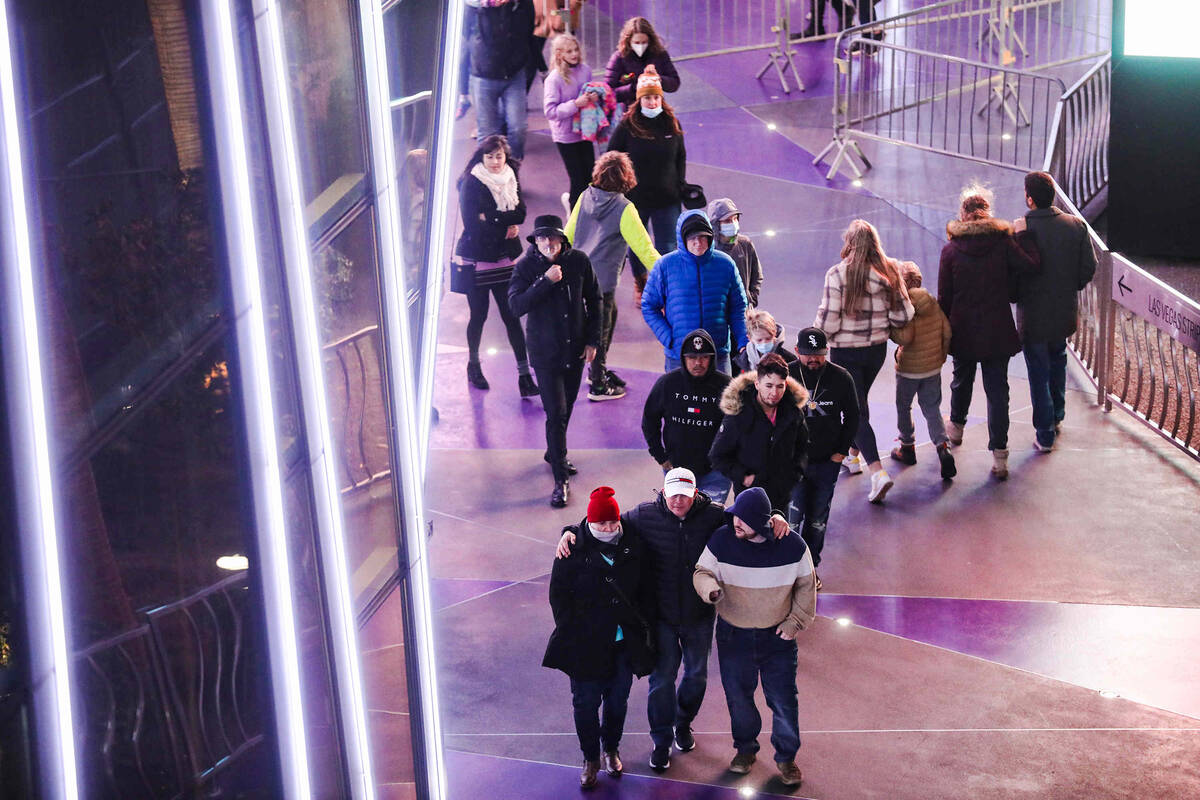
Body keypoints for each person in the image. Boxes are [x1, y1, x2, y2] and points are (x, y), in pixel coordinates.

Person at [555, 468, 791, 773]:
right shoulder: (643, 515)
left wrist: (775, 515)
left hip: (699, 616)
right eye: (673, 493)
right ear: (663, 493)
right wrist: (569, 529)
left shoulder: (713, 515)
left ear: (695, 493)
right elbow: (604, 521)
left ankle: (683, 722)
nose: (678, 500)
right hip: (661, 617)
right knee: (662, 681)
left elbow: (747, 514)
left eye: (685, 494)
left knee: (697, 676)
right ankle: (661, 741)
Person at [693, 486, 815, 787]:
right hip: (733, 635)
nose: (736, 523)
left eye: (743, 519)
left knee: (784, 701)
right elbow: (701, 572)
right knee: (738, 699)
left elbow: (806, 585)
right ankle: (745, 751)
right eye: (734, 516)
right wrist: (710, 590)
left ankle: (787, 758)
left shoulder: (793, 545)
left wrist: (794, 624)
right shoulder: (722, 540)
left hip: (778, 639)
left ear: (762, 522)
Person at [543, 486, 656, 789]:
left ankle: (611, 748)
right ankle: (591, 757)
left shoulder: (633, 544)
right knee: (585, 703)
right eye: (601, 524)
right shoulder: (571, 549)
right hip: (586, 645)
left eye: (612, 522)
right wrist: (572, 631)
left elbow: (645, 590)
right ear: (590, 523)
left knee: (618, 700)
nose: (608, 529)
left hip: (623, 644)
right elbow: (558, 597)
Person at [939, 184, 1040, 480]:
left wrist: (941, 335)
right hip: (997, 331)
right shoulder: (1004, 243)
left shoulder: (951, 250)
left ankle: (955, 429)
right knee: (998, 393)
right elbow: (1032, 266)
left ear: (963, 214)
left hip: (963, 330)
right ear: (988, 214)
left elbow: (944, 297)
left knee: (961, 380)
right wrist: (1026, 235)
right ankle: (999, 457)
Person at [814, 219, 913, 503]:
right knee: (859, 404)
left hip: (845, 353)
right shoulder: (890, 270)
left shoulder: (837, 274)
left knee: (855, 412)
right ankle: (853, 458)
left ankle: (878, 472)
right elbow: (903, 315)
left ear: (849, 243)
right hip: (876, 351)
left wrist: (814, 339)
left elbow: (828, 322)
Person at [508, 215, 601, 507]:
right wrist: (544, 282)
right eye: (542, 238)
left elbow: (596, 300)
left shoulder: (579, 261)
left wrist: (593, 340)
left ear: (562, 239)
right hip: (545, 354)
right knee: (557, 412)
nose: (548, 243)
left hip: (573, 351)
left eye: (553, 237)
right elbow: (516, 306)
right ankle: (560, 479)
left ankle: (554, 452)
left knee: (566, 407)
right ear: (535, 241)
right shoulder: (525, 267)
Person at [565, 151, 660, 401]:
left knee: (609, 317)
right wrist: (669, 269)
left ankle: (598, 369)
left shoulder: (585, 196)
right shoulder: (624, 208)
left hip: (580, 275)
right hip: (603, 282)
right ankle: (598, 384)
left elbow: (569, 234)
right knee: (601, 330)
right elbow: (644, 248)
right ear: (626, 178)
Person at [1014, 171, 1097, 452]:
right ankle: (1057, 416)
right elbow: (1089, 267)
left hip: (1033, 316)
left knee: (1038, 371)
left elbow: (1013, 275)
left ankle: (1045, 432)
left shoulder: (1021, 231)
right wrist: (1070, 286)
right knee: (1057, 360)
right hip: (1063, 311)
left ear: (1029, 198)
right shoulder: (1075, 226)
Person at [453, 135, 537, 397]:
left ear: (505, 156)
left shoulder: (511, 176)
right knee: (478, 315)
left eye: (498, 156)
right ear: (482, 157)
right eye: (489, 157)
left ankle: (525, 376)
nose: (495, 162)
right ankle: (473, 365)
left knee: (511, 316)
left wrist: (490, 216)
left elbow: (521, 213)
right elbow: (472, 225)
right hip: (477, 259)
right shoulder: (472, 182)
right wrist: (503, 228)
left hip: (503, 259)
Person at [606, 65, 686, 306]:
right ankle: (641, 282)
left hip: (667, 198)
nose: (652, 102)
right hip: (635, 198)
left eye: (656, 97)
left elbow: (680, 157)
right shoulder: (627, 126)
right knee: (638, 244)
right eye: (647, 98)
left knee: (667, 245)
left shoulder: (672, 123)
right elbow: (612, 156)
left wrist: (680, 185)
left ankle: (665, 286)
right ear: (640, 99)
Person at [787, 327, 858, 591]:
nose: (813, 359)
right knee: (792, 519)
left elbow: (853, 417)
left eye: (818, 354)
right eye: (807, 354)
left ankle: (810, 567)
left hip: (826, 464)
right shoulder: (787, 376)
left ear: (826, 352)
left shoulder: (841, 378)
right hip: (794, 464)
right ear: (797, 352)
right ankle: (790, 567)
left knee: (817, 521)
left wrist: (841, 452)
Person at [642, 210, 748, 375]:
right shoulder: (665, 266)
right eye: (692, 238)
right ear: (682, 239)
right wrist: (668, 337)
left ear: (710, 237)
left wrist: (742, 340)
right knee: (678, 400)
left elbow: (738, 306)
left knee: (723, 400)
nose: (698, 243)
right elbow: (649, 305)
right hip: (679, 355)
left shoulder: (726, 264)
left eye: (702, 236)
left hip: (717, 353)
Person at [709, 353, 810, 514]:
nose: (774, 392)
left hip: (781, 495)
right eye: (769, 385)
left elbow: (802, 447)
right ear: (757, 384)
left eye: (780, 386)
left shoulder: (793, 412)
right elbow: (718, 456)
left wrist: (793, 476)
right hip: (749, 497)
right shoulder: (738, 414)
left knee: (779, 537)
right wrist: (744, 477)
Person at [642, 329, 733, 503]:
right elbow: (649, 420)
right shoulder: (667, 384)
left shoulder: (727, 386)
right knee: (679, 520)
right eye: (692, 357)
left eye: (704, 357)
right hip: (676, 469)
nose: (698, 363)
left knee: (710, 521)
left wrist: (729, 462)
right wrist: (660, 455)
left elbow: (740, 427)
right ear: (683, 358)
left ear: (712, 358)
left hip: (716, 472)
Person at [888, 262, 956, 479]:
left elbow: (905, 338)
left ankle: (907, 446)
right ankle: (942, 445)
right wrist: (940, 357)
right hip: (932, 368)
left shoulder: (906, 307)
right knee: (932, 408)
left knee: (903, 406)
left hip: (908, 369)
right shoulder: (933, 303)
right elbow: (947, 331)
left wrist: (891, 331)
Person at [467, 0, 535, 160]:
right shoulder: (474, 7)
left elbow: (528, 31)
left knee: (518, 128)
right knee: (487, 133)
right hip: (483, 75)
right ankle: (489, 178)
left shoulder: (521, 4)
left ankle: (512, 170)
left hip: (514, 73)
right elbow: (464, 36)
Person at [543, 33, 595, 213]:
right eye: (569, 51)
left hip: (585, 129)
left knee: (590, 176)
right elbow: (550, 111)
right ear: (559, 55)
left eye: (576, 50)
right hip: (565, 135)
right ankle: (574, 217)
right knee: (577, 178)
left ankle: (587, 213)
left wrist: (594, 96)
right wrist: (575, 104)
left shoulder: (585, 70)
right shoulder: (554, 79)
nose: (574, 54)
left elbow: (589, 91)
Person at [604, 16, 681, 107]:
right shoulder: (619, 57)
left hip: (656, 109)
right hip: (629, 112)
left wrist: (658, 79)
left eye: (644, 42)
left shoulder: (659, 54)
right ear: (629, 41)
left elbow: (674, 83)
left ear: (650, 40)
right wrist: (634, 88)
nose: (640, 46)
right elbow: (607, 93)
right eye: (637, 43)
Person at [707, 198, 764, 307]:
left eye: (735, 219)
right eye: (727, 221)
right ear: (715, 224)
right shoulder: (707, 249)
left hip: (743, 310)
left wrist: (751, 299)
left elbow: (757, 275)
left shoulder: (745, 243)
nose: (733, 223)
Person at [732, 308, 796, 377]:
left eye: (768, 338)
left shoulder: (788, 359)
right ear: (750, 338)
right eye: (759, 340)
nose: (764, 343)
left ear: (774, 334)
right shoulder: (741, 361)